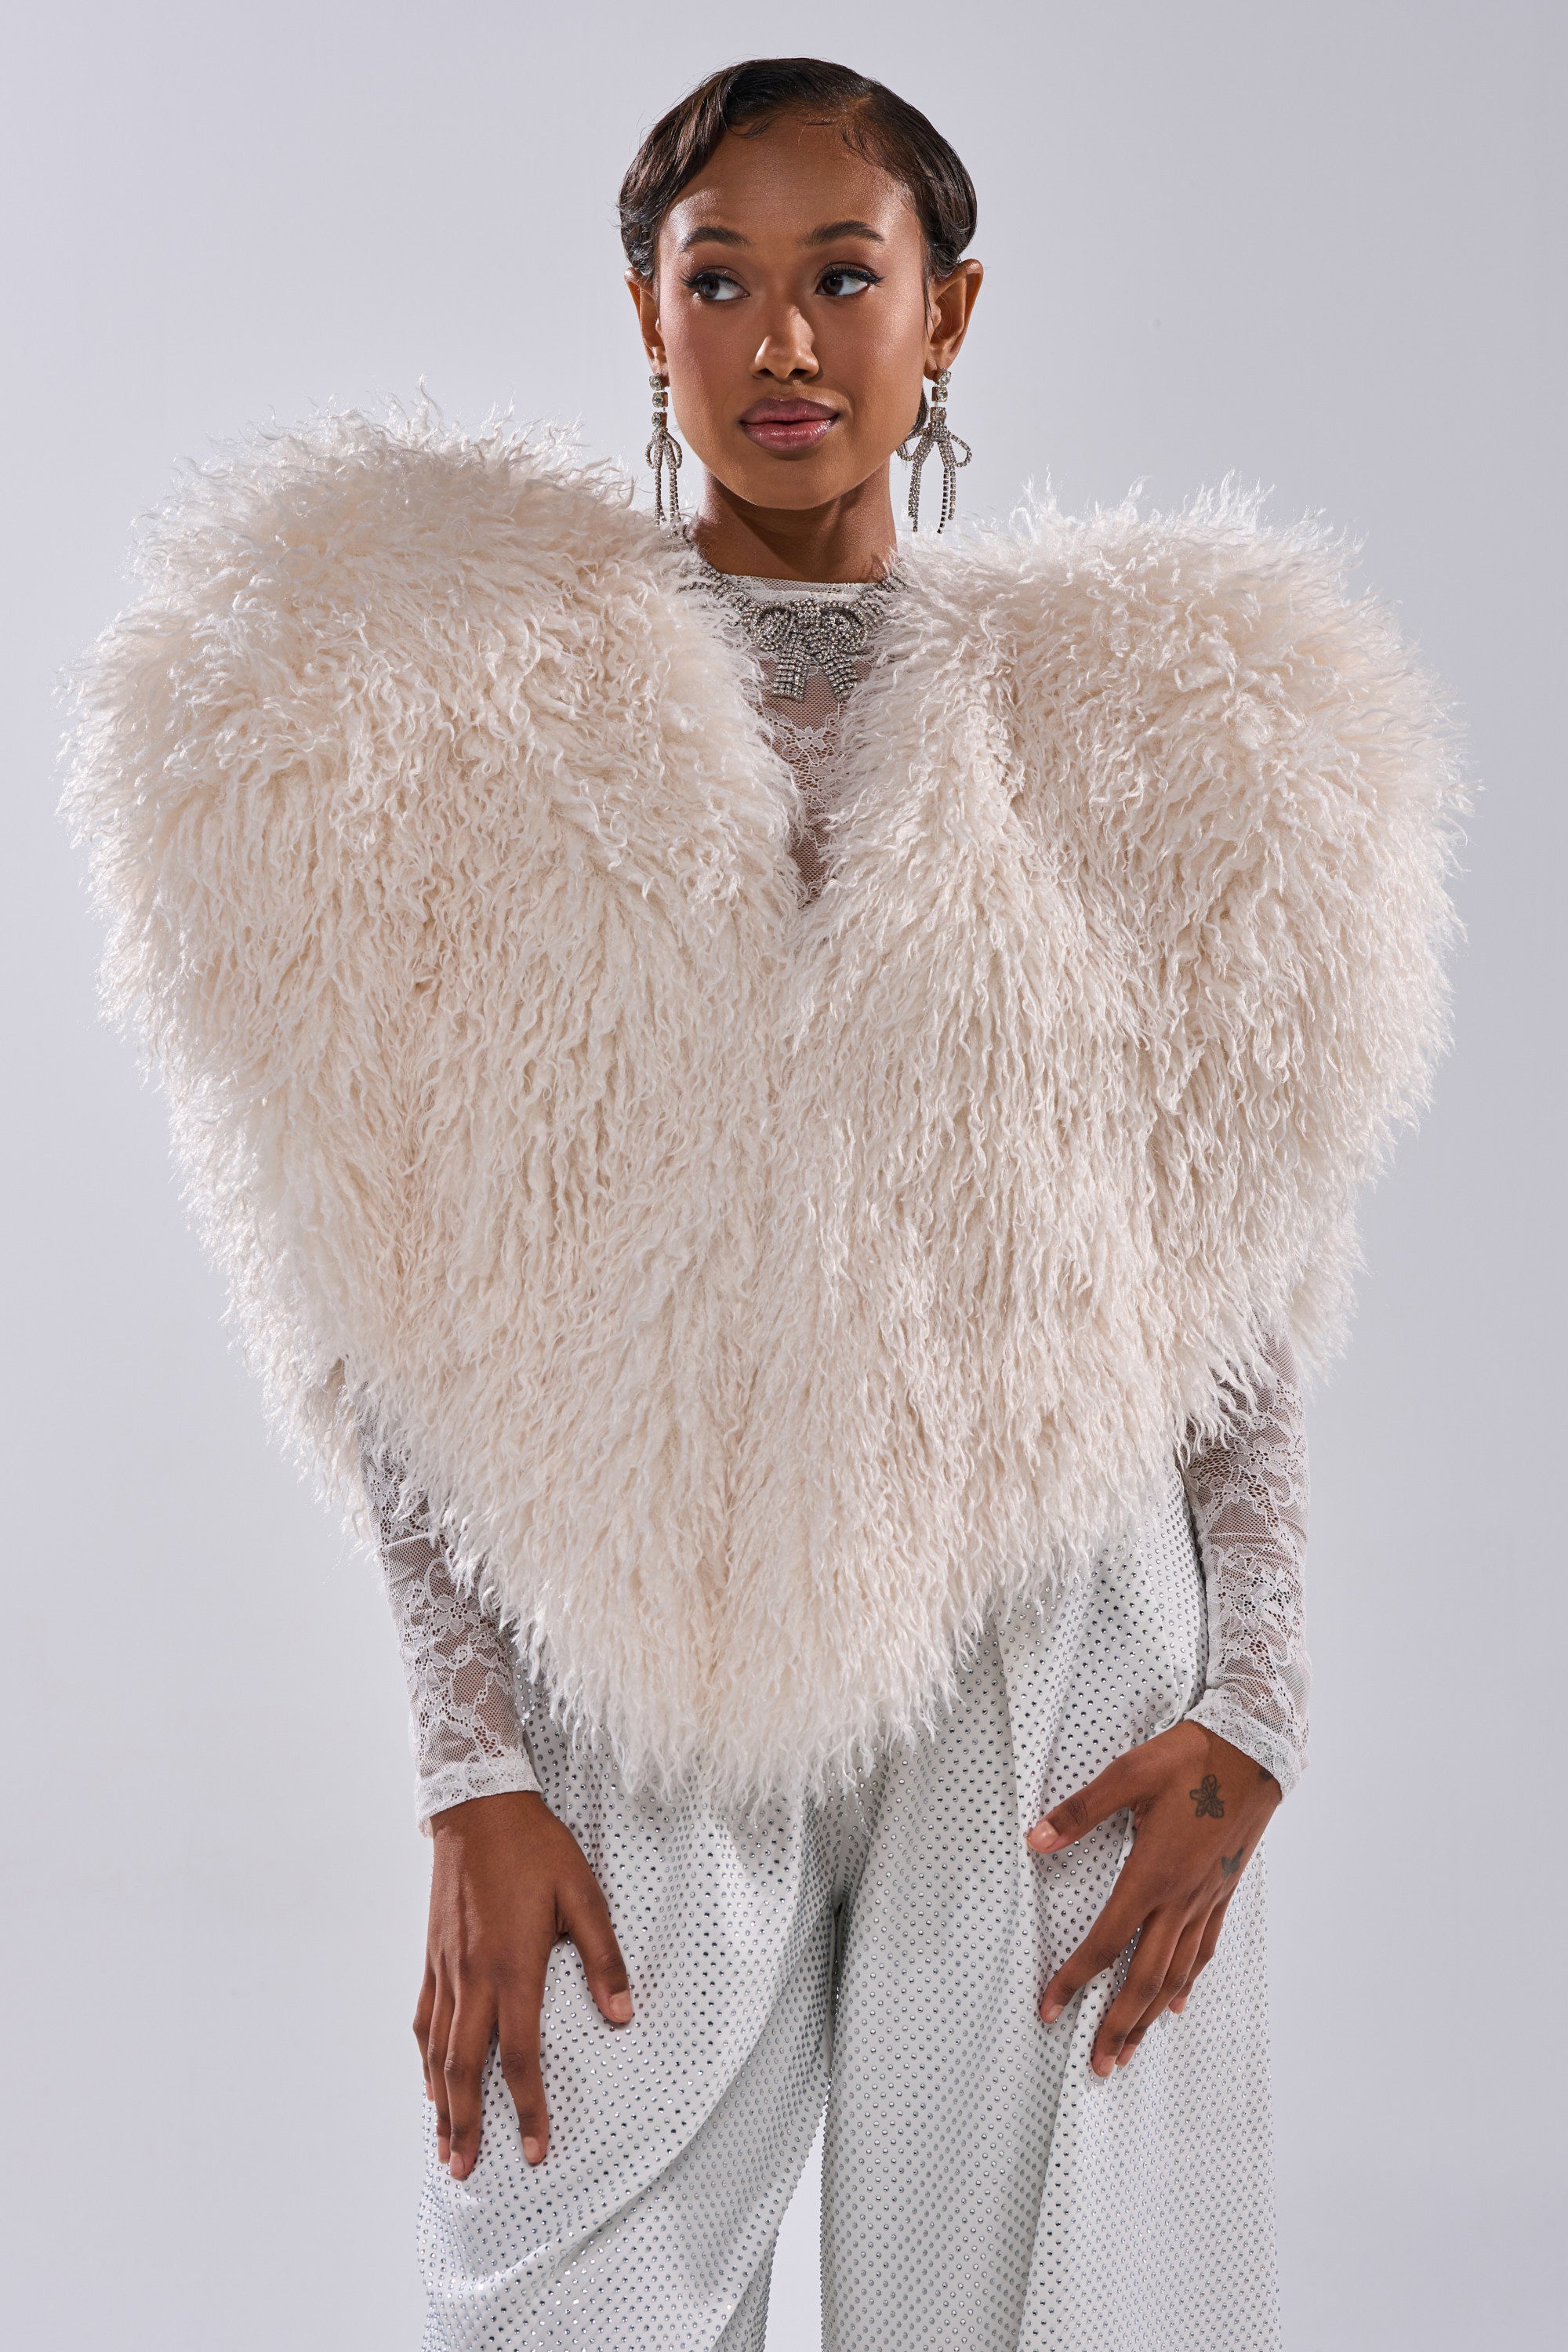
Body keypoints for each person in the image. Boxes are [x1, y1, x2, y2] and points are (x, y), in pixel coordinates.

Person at [67, 54, 1459, 2352]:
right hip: (639, 1610)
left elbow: (1231, 1259)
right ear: (648, 316)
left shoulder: (1136, 727)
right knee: (567, 2292)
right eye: (723, 280)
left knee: (1047, 2299)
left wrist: (1263, 1702)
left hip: (1041, 1604)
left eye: (845, 276)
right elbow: (394, 1277)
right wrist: (473, 1766)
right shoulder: (468, 720)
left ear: (953, 313)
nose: (786, 339)